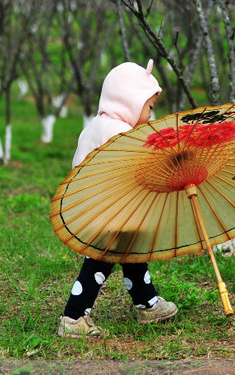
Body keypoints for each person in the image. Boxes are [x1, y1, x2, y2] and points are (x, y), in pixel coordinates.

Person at [57, 60, 178, 338]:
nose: (151, 113)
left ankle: (147, 303)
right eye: (149, 106)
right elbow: (137, 168)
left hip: (101, 206)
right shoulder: (115, 133)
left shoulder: (102, 125)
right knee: (101, 260)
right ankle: (74, 316)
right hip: (104, 210)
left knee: (130, 250)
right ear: (130, 101)